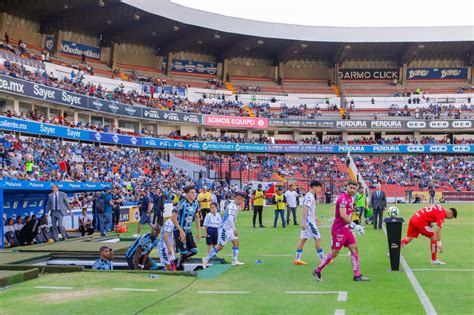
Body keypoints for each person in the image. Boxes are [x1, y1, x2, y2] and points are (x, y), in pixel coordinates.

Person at [314, 181, 369, 282]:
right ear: (347, 187)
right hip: (339, 230)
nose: (352, 190)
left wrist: (354, 210)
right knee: (335, 253)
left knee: (354, 248)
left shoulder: (349, 198)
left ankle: (356, 275)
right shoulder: (343, 198)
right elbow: (343, 215)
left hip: (346, 229)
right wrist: (355, 226)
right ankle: (317, 270)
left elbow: (348, 208)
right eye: (351, 188)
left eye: (354, 188)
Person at [202, 192, 246, 268]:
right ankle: (206, 259)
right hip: (225, 229)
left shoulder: (234, 205)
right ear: (239, 198)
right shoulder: (233, 206)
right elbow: (230, 218)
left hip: (229, 229)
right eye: (242, 200)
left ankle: (234, 261)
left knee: (236, 242)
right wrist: (234, 229)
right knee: (220, 246)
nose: (242, 202)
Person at [171, 186, 201, 270]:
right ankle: (178, 267)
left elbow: (197, 217)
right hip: (179, 231)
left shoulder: (196, 203)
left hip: (188, 231)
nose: (194, 194)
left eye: (194, 192)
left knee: (194, 250)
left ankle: (176, 261)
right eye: (191, 192)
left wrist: (199, 232)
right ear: (187, 194)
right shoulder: (182, 203)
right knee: (183, 253)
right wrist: (181, 231)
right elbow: (173, 218)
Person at [294, 180, 324, 265]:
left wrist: (315, 218)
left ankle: (297, 259)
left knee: (303, 239)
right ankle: (322, 259)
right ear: (314, 187)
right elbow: (305, 208)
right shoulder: (310, 196)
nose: (319, 189)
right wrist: (304, 222)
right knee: (318, 238)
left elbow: (309, 210)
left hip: (309, 219)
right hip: (308, 221)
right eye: (319, 187)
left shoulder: (310, 195)